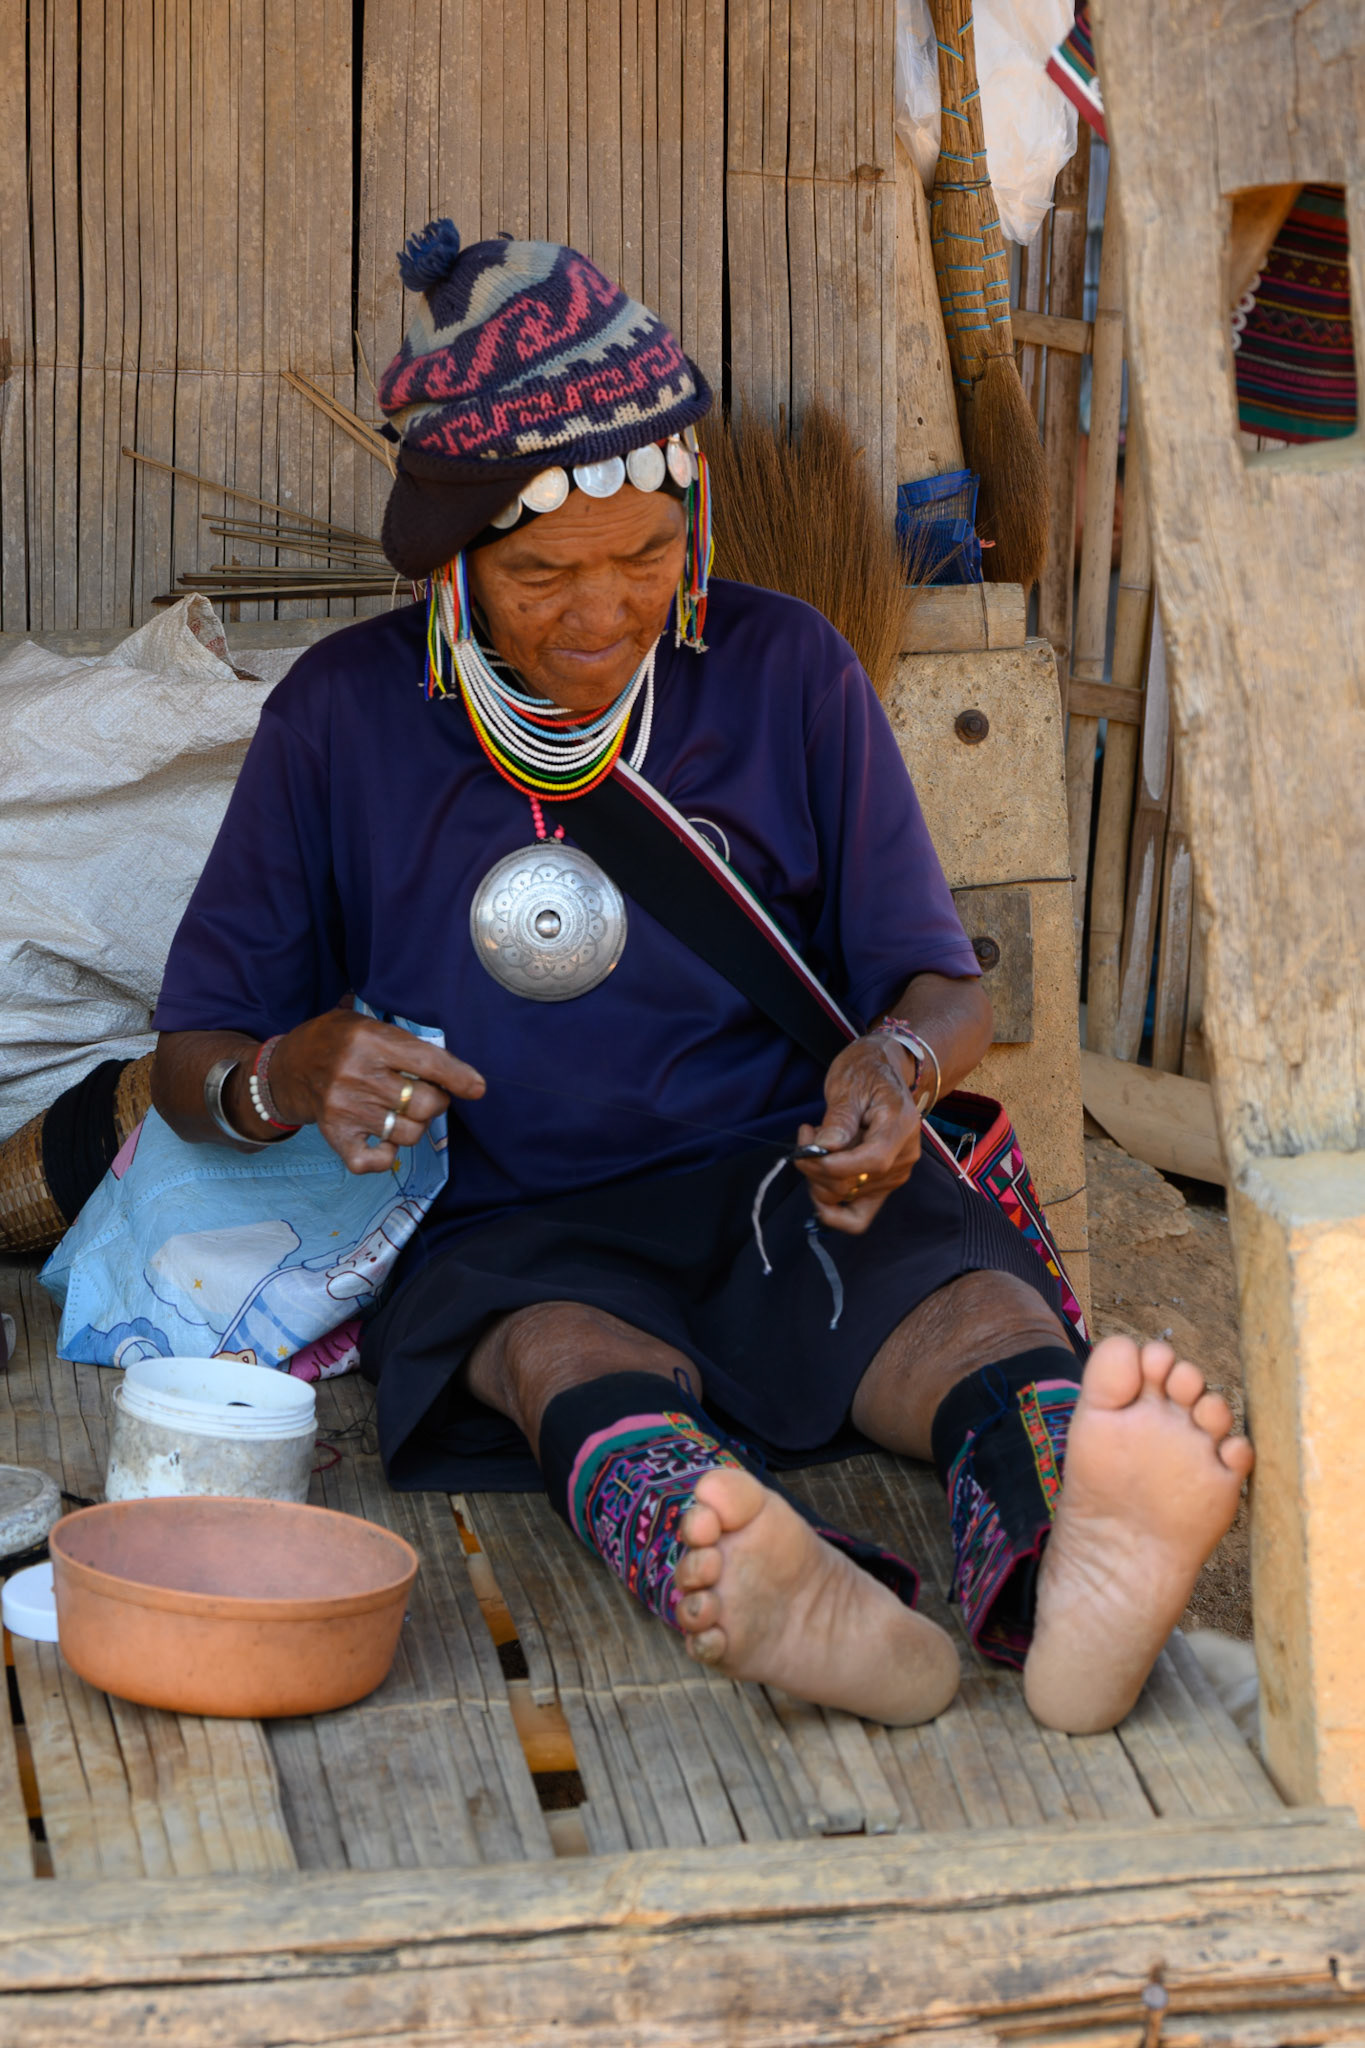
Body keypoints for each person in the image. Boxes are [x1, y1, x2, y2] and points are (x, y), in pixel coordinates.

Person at [150, 223, 1252, 1733]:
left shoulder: (786, 670)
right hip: (512, 1213)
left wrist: (898, 1073)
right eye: (541, 572)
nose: (601, 613)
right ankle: (768, 1574)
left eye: (646, 559)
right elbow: (187, 1063)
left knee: (971, 1317)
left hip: (784, 1178)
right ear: (452, 557)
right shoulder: (343, 717)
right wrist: (289, 1071)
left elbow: (941, 988)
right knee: (554, 1358)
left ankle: (1074, 1582)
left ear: (698, 527)